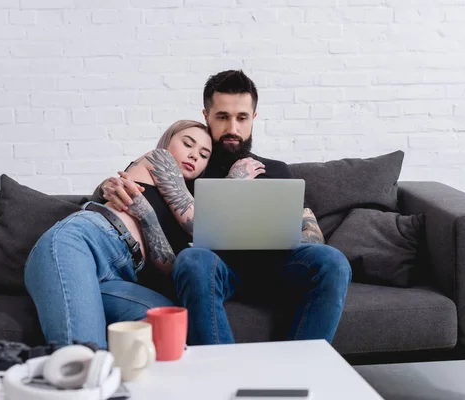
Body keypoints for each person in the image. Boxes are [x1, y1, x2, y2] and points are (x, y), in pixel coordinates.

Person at [97, 70, 352, 346]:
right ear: (206, 115)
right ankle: (221, 372)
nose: (232, 128)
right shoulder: (189, 169)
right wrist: (106, 187)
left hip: (277, 267)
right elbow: (129, 185)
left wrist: (285, 235)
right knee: (193, 260)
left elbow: (313, 233)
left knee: (333, 261)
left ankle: (303, 371)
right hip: (215, 270)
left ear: (253, 118)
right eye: (222, 117)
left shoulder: (275, 170)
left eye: (241, 118)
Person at [24, 120, 212, 348]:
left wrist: (147, 216)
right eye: (187, 144)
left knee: (171, 329)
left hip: (121, 275)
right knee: (83, 357)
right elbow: (201, 224)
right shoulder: (160, 158)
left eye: (204, 155)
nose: (194, 155)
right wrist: (236, 182)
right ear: (167, 141)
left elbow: (166, 267)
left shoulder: (179, 209)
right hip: (83, 243)